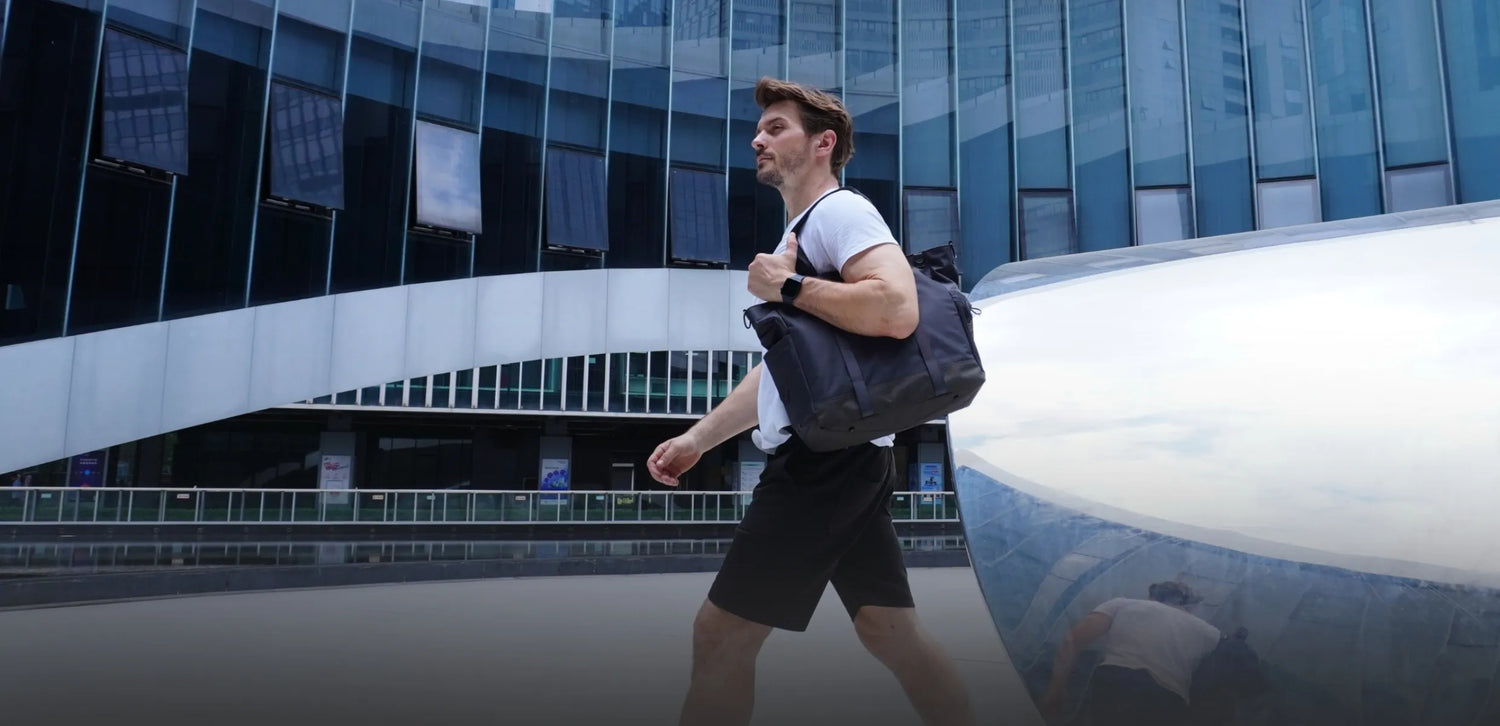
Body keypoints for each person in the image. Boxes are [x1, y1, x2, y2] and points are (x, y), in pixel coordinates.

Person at [646, 77, 977, 726]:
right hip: (848, 454)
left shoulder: (840, 213)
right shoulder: (801, 233)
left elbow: (897, 307)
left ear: (823, 143)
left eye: (776, 128)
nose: (757, 138)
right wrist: (698, 439)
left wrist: (787, 286)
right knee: (890, 634)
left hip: (825, 460)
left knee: (720, 635)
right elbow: (781, 373)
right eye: (760, 128)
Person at [1039, 581, 1222, 725]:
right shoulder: (1210, 633)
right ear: (1191, 607)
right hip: (1167, 701)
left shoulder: (1123, 604)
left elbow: (1072, 640)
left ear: (1150, 597)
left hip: (1115, 684)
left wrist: (1056, 689)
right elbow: (1214, 683)